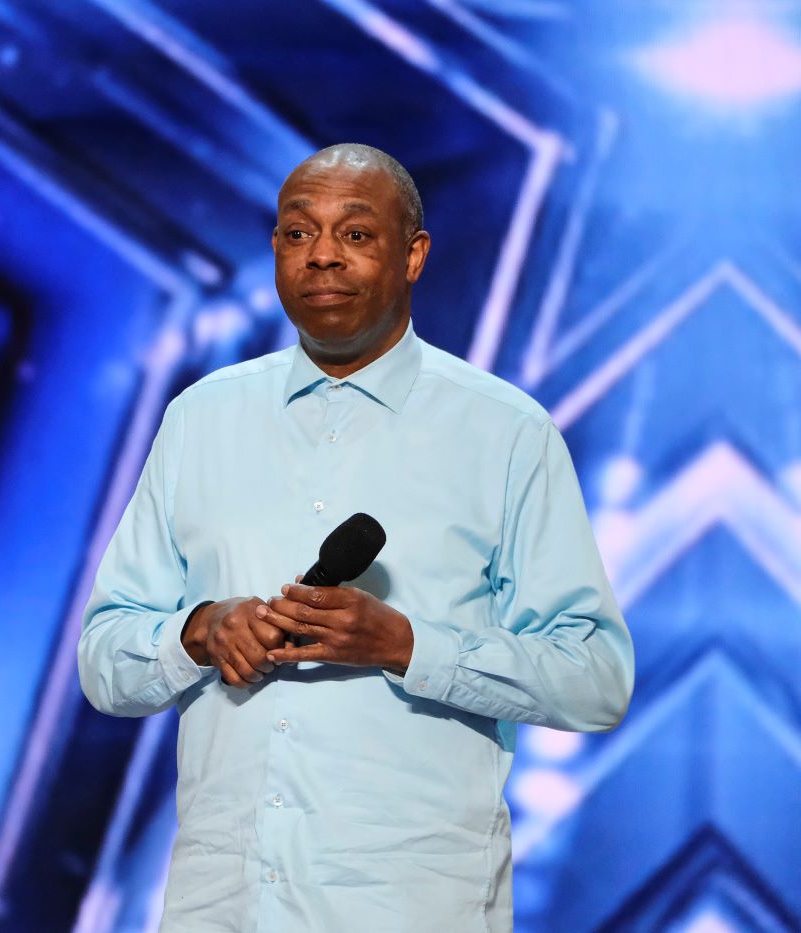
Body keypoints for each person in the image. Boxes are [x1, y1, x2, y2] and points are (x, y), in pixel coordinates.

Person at [76, 143, 634, 932]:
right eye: (299, 234)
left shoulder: (505, 431)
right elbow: (105, 659)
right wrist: (201, 630)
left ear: (413, 255)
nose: (324, 256)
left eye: (357, 234)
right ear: (274, 250)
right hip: (224, 906)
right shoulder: (200, 418)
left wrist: (408, 645)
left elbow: (595, 676)